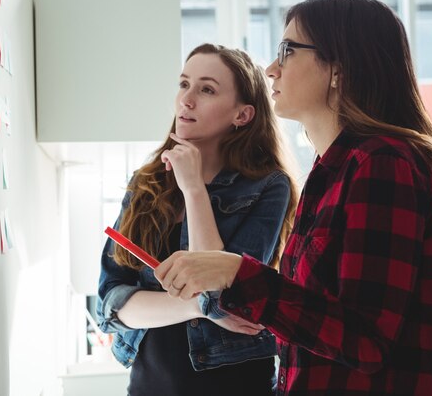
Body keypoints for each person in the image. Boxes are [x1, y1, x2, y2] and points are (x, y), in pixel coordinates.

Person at [156, 0, 432, 396]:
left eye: (287, 50)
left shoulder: (383, 164)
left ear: (338, 67)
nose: (271, 69)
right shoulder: (330, 173)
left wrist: (237, 272)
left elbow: (365, 340)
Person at [96, 43, 299, 396]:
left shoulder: (269, 186)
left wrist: (193, 189)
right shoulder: (145, 183)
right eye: (183, 84)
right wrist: (196, 307)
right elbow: (112, 303)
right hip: (149, 387)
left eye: (206, 89)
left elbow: (224, 293)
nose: (186, 100)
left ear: (243, 115)